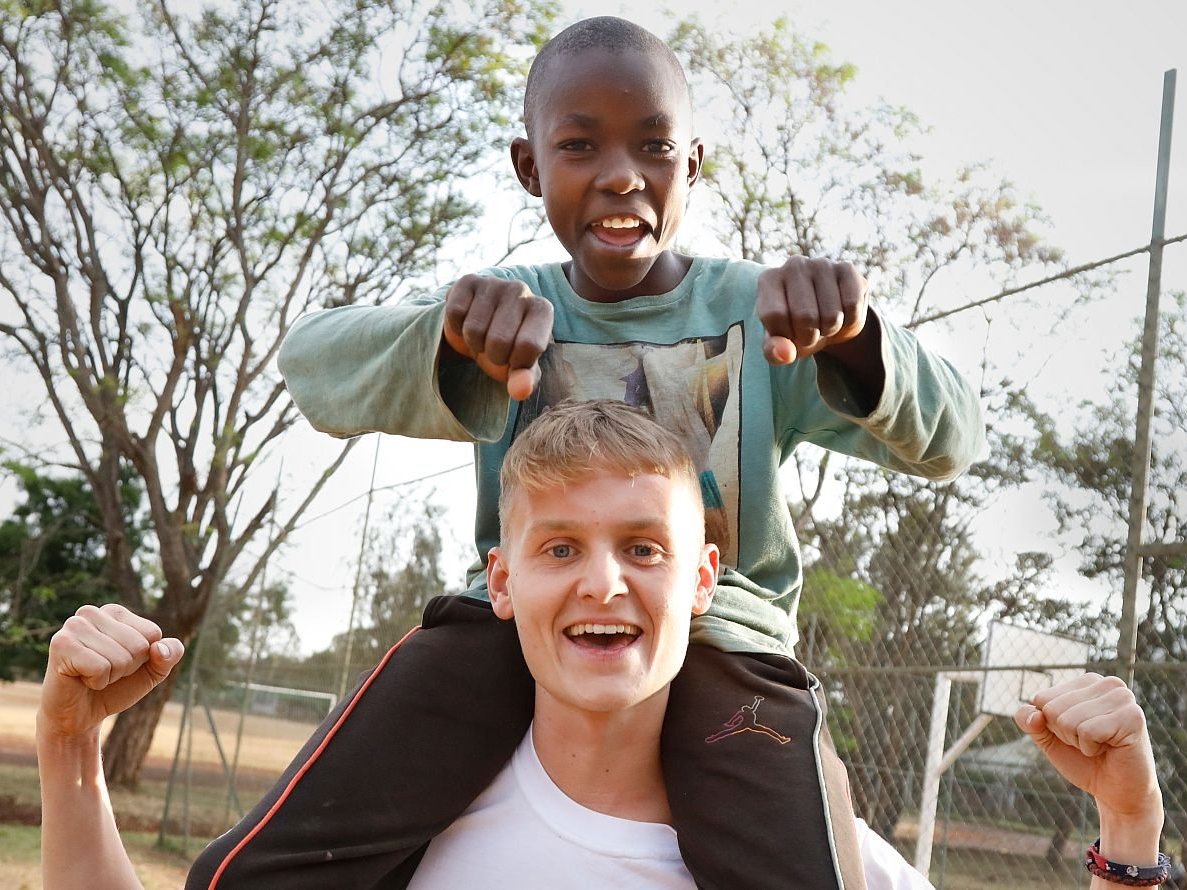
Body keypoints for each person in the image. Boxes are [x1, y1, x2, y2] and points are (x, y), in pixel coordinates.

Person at [201, 14, 991, 888]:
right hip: (515, 628)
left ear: (690, 166)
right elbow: (313, 367)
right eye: (579, 147)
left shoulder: (762, 316)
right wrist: (449, 338)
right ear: (529, 167)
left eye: (653, 148)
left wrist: (859, 339)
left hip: (722, 645)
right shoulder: (502, 307)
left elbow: (954, 440)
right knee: (257, 868)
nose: (620, 176)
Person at [38, 401, 1168, 889]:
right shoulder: (407, 828)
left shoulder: (810, 842)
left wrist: (1126, 831)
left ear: (702, 581)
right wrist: (71, 750)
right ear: (501, 582)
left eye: (643, 545)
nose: (602, 579)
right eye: (559, 546)